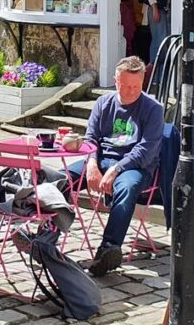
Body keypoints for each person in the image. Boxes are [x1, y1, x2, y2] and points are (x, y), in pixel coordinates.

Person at [67, 56, 164, 277]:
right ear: (115, 81)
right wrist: (91, 163)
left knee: (126, 188)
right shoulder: (103, 103)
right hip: (100, 160)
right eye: (125, 85)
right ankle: (47, 234)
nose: (130, 91)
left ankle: (108, 249)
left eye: (136, 87)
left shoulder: (153, 109)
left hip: (135, 166)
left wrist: (116, 169)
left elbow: (146, 150)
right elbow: (91, 138)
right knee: (61, 178)